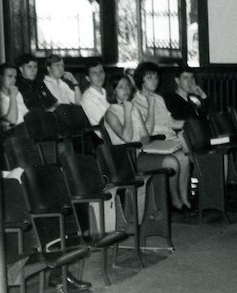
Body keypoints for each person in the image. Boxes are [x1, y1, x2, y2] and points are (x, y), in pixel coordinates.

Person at [104, 75, 191, 210]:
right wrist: (127, 112)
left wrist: (147, 143)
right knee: (171, 162)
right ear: (113, 91)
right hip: (127, 159)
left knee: (183, 156)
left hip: (141, 151)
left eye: (127, 86)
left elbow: (145, 135)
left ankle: (182, 199)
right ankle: (175, 201)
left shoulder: (133, 108)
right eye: (121, 87)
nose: (126, 89)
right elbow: (127, 138)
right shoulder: (111, 113)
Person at [0, 63, 29, 131]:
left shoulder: (17, 93)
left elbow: (27, 115)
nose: (13, 80)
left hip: (24, 131)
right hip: (9, 135)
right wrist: (13, 96)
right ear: (0, 78)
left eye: (15, 77)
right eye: (10, 76)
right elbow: (12, 119)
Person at [80, 60, 109, 126]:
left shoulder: (107, 92)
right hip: (103, 132)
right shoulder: (87, 97)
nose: (99, 76)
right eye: (94, 73)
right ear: (88, 78)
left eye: (101, 72)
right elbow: (102, 121)